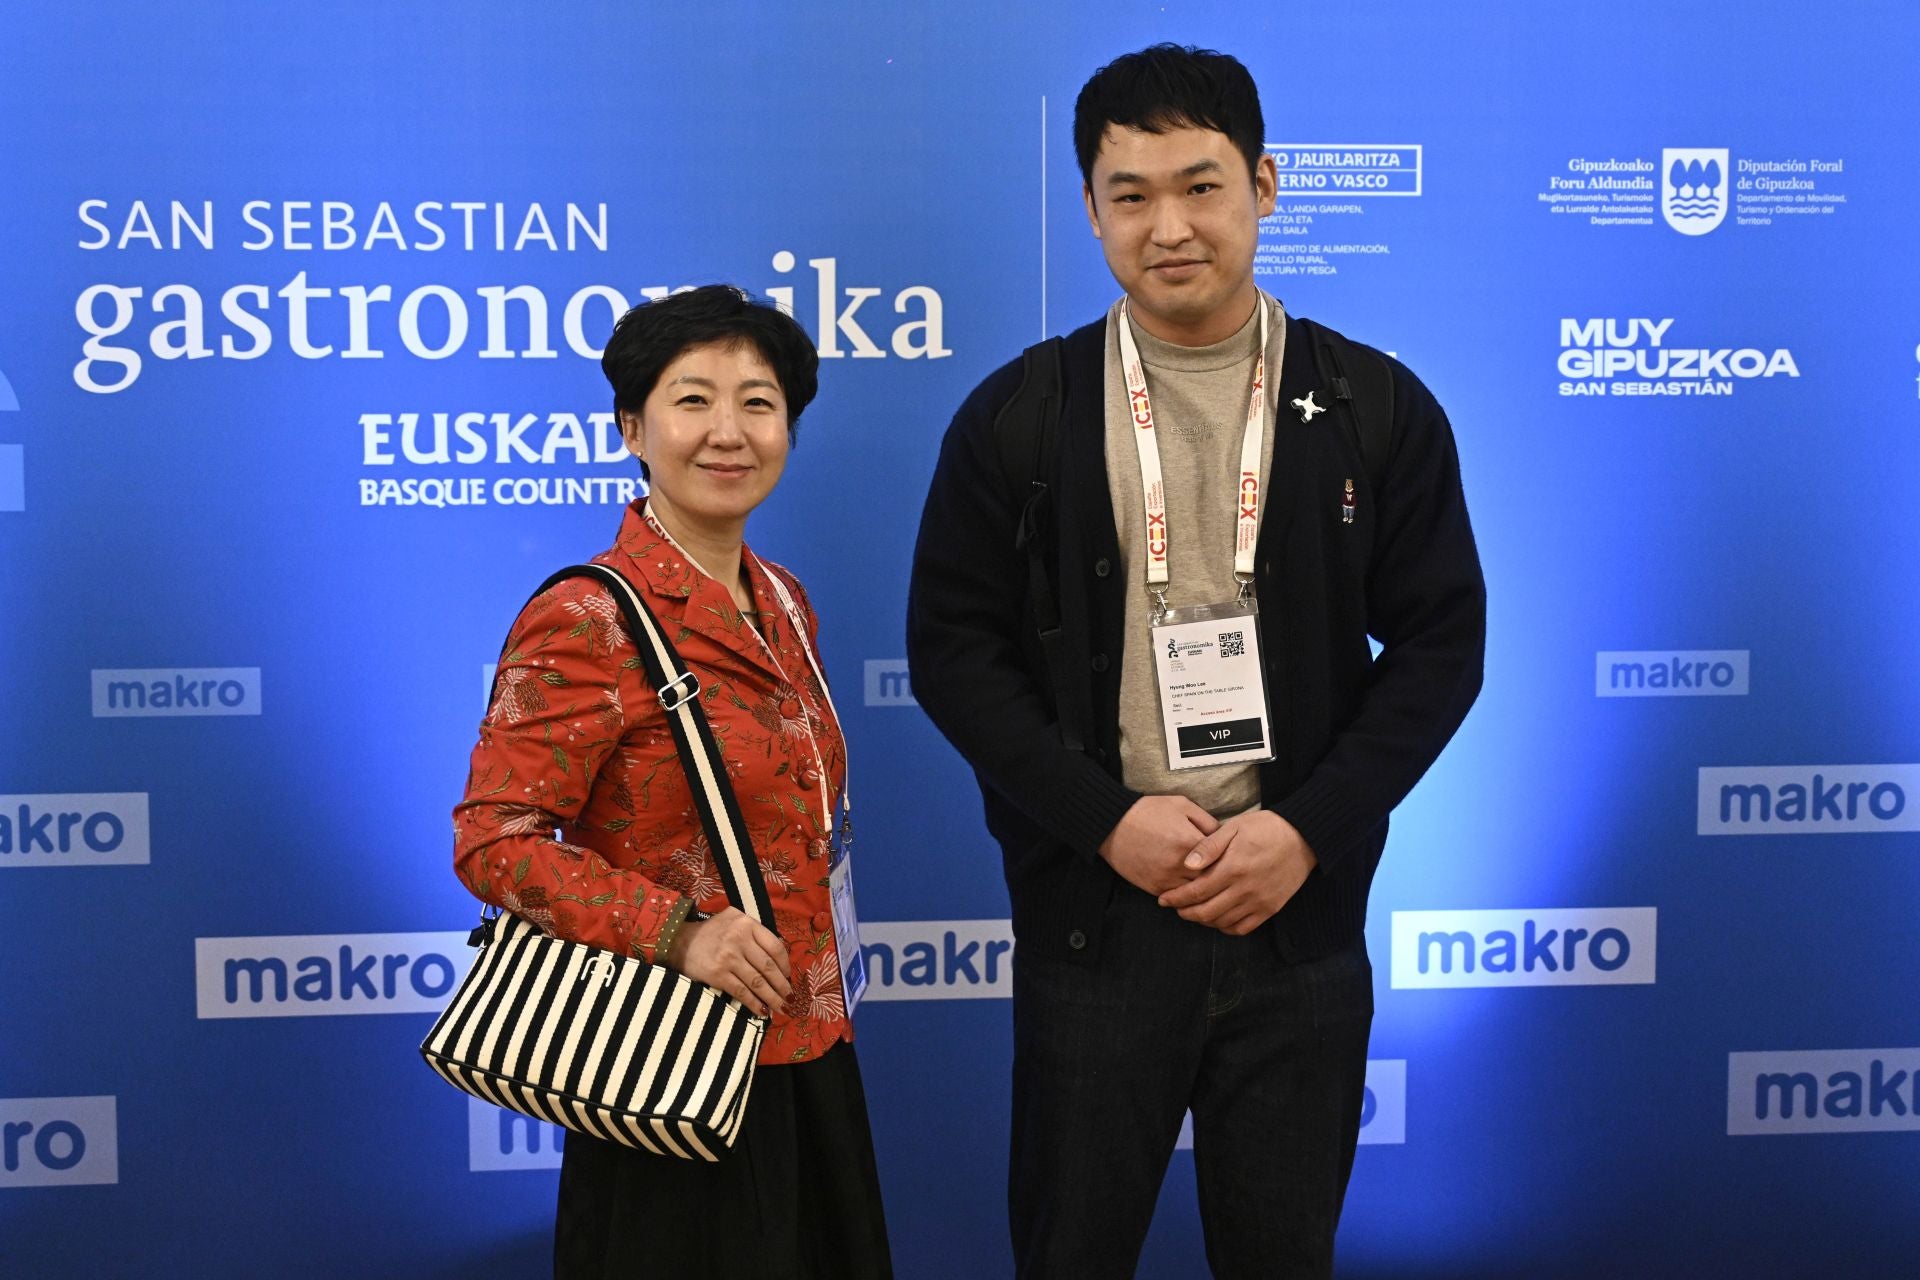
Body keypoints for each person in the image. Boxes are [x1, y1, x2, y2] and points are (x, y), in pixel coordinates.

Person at [906, 44, 1485, 1279]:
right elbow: (951, 650)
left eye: (1200, 184)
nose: (1168, 226)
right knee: (1071, 1253)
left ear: (1264, 185)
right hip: (1098, 925)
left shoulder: (1374, 405)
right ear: (1091, 209)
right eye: (1131, 194)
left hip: (1296, 919)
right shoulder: (1024, 413)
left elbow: (1444, 644)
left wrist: (1308, 829)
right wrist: (1104, 822)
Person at [453, 285, 892, 1279]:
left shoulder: (784, 599)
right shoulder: (589, 615)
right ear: (632, 428)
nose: (728, 431)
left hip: (811, 1046)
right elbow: (494, 838)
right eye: (693, 399)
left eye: (759, 401)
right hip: (673, 1061)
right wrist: (676, 932)